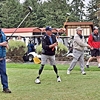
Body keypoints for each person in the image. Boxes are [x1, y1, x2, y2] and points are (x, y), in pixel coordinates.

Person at [0, 29, 11, 93]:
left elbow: (6, 45)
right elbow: (2, 44)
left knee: (4, 73)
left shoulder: (3, 33)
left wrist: (6, 44)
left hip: (2, 58)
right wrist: (1, 44)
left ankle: (5, 88)